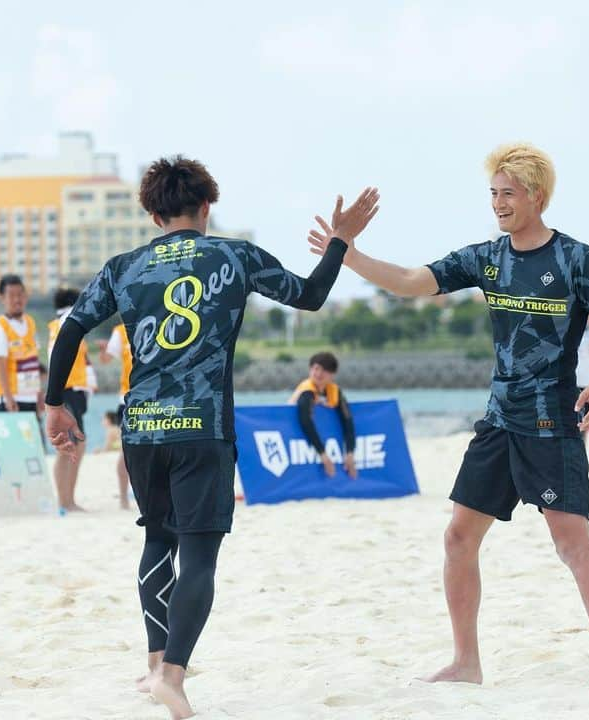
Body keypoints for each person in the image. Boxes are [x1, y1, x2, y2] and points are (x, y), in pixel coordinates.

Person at [43, 155, 379, 719]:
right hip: (204, 428)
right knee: (199, 552)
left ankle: (156, 664)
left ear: (153, 215)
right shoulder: (234, 254)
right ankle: (172, 677)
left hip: (143, 427)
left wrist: (56, 403)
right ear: (206, 207)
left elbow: (73, 327)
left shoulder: (123, 266)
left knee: (158, 541)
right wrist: (340, 242)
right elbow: (310, 294)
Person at [310, 142, 589, 690]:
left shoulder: (577, 259)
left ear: (536, 196)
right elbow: (414, 281)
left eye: (508, 193)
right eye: (493, 193)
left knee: (572, 543)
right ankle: (466, 662)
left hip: (551, 421)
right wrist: (347, 252)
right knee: (459, 536)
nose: (498, 203)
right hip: (499, 420)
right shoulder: (489, 258)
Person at [48, 287, 89, 511]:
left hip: (74, 388)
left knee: (75, 445)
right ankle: (65, 501)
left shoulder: (60, 323)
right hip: (68, 389)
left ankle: (67, 499)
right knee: (69, 446)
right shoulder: (67, 321)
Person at [288, 351, 357, 477]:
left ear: (332, 375)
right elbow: (305, 421)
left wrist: (350, 452)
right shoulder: (306, 391)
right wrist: (324, 455)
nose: (319, 374)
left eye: (324, 370)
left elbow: (348, 420)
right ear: (310, 369)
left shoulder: (334, 391)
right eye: (316, 369)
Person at [0, 275, 43, 418]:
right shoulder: (0, 327)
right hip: (8, 400)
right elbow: (0, 364)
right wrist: (8, 397)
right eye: (11, 295)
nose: (17, 300)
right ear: (2, 298)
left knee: (36, 440)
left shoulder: (30, 323)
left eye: (20, 294)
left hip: (29, 397)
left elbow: (33, 362)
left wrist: (38, 396)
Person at [99, 322, 133, 509]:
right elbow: (106, 359)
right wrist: (104, 350)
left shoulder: (160, 320)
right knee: (126, 451)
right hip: (127, 398)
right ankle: (123, 497)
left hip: (156, 396)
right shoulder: (120, 331)